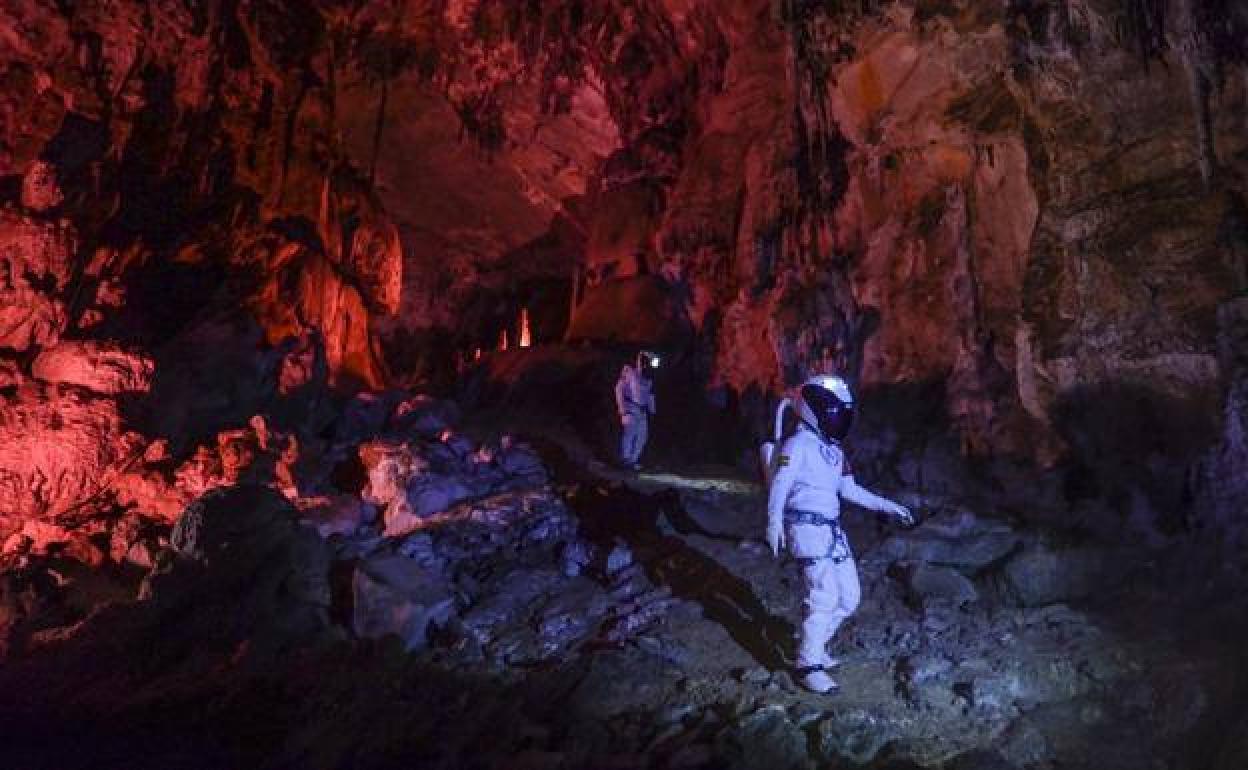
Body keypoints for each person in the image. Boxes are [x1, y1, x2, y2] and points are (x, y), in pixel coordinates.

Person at [766, 374, 914, 694]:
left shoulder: (832, 451)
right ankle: (808, 664)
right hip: (806, 528)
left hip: (831, 530)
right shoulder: (797, 444)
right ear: (814, 410)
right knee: (824, 597)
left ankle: (813, 644)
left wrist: (888, 505)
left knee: (849, 597)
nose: (838, 420)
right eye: (834, 413)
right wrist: (773, 521)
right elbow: (780, 483)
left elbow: (850, 490)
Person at [615, 350, 660, 470]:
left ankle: (632, 460)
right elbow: (619, 390)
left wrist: (653, 411)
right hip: (631, 408)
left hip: (642, 411)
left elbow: (650, 395)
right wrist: (623, 410)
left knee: (642, 437)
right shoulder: (630, 373)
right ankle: (625, 460)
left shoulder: (649, 378)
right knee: (629, 435)